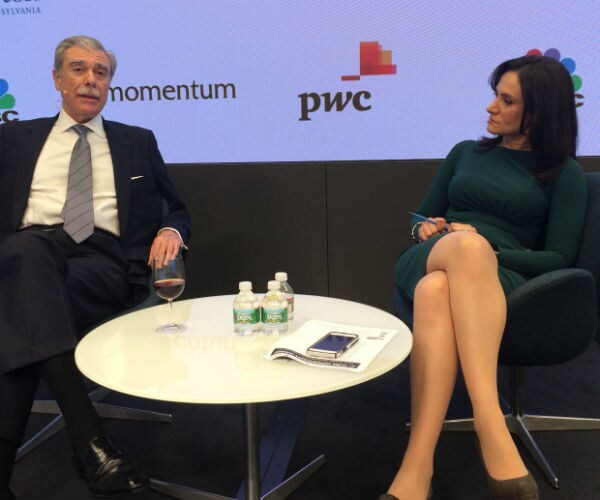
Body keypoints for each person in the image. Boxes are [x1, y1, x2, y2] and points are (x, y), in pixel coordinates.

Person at [381, 55, 586, 500]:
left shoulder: (564, 174)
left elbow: (559, 257)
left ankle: (417, 466)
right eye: (495, 95)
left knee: (438, 289)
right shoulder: (464, 152)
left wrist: (489, 250)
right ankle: (489, 421)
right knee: (458, 255)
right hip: (433, 254)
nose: (492, 107)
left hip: (501, 275)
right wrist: (425, 229)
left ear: (538, 113)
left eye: (507, 100)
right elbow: (419, 216)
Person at [0, 36, 191, 499]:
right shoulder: (14, 138)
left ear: (109, 84)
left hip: (100, 263)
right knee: (28, 256)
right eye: (79, 69)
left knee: (21, 311)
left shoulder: (136, 141)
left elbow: (176, 208)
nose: (90, 80)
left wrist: (171, 230)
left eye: (100, 72)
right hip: (26, 251)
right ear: (56, 79)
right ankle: (91, 444)